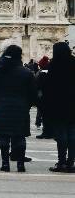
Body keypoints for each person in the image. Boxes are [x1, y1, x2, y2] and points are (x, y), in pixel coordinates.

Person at [0, 44, 37, 172]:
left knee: (4, 136)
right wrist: (28, 105)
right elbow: (33, 93)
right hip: (21, 108)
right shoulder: (27, 72)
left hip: (2, 107)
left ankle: (5, 164)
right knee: (20, 137)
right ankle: (20, 164)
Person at [38, 41, 75, 173]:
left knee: (61, 135)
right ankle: (71, 163)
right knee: (72, 135)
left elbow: (45, 87)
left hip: (58, 106)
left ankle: (61, 162)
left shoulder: (52, 66)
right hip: (73, 106)